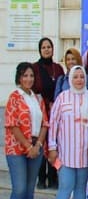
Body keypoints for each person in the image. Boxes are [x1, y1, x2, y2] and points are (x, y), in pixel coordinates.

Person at [47, 65, 88, 199]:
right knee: (65, 188)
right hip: (65, 154)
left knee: (81, 189)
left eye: (82, 77)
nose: (79, 80)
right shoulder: (62, 98)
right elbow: (54, 124)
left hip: (84, 154)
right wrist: (52, 148)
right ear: (70, 79)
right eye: (76, 77)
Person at [5, 62, 48, 199]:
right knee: (19, 189)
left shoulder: (38, 99)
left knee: (30, 191)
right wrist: (27, 146)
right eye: (25, 75)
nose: (28, 79)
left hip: (35, 147)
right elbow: (12, 125)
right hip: (16, 148)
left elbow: (44, 124)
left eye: (31, 75)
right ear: (19, 77)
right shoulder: (14, 97)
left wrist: (37, 145)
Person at [32, 37, 64, 189]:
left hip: (55, 112)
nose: (46, 49)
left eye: (49, 47)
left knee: (53, 144)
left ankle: (53, 177)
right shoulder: (34, 68)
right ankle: (41, 177)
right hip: (40, 112)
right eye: (43, 47)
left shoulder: (58, 68)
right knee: (40, 143)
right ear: (40, 50)